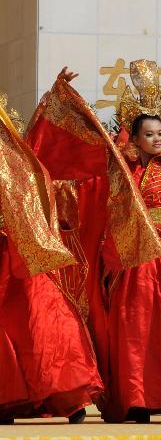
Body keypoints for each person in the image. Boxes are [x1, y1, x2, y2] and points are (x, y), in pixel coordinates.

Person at [28, 62, 161, 424]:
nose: (159, 139)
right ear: (135, 138)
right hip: (131, 258)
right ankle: (137, 397)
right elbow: (77, 141)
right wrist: (58, 94)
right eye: (150, 134)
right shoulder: (119, 171)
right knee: (136, 325)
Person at [0, 97, 103, 422]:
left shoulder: (22, 166)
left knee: (43, 322)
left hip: (24, 255)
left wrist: (56, 95)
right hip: (12, 256)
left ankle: (64, 395)